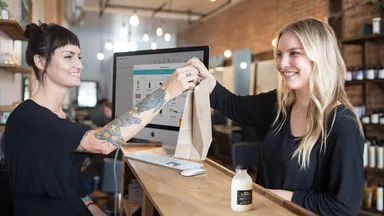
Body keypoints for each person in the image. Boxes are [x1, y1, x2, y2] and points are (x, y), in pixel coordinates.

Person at [4, 22, 199, 216]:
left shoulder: (58, 116)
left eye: (79, 57)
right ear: (40, 61)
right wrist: (167, 91)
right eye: (68, 57)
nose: (79, 65)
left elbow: (72, 185)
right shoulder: (28, 117)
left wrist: (92, 208)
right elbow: (103, 143)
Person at [187, 18, 364, 215]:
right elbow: (233, 104)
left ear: (319, 57)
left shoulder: (342, 124)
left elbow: (343, 207)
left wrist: (274, 196)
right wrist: (205, 78)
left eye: (294, 53)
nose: (282, 63)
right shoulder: (277, 105)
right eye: (279, 54)